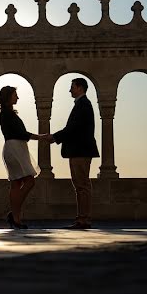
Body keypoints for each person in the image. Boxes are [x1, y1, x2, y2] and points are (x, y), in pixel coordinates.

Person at [47, 78, 100, 229]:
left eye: (72, 87)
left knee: (82, 185)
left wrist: (54, 137)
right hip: (79, 151)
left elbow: (73, 128)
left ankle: (84, 219)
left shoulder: (83, 104)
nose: (70, 90)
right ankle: (82, 218)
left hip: (80, 151)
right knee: (80, 185)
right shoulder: (82, 104)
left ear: (80, 88)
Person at [0, 86, 50, 229]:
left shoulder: (6, 113)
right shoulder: (7, 114)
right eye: (15, 95)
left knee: (16, 183)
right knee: (29, 181)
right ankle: (14, 213)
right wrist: (40, 137)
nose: (17, 97)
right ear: (8, 97)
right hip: (15, 148)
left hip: (14, 148)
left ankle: (16, 217)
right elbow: (21, 133)